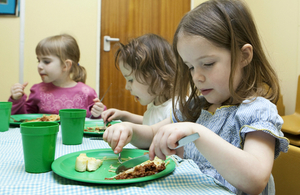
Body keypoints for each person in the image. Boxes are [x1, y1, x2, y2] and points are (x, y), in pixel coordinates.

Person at [103, 0, 289, 194]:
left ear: (244, 56)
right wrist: (128, 129)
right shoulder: (196, 107)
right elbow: (152, 135)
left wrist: (198, 132)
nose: (196, 77)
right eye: (190, 67)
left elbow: (256, 179)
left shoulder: (257, 111)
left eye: (207, 63)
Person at [9, 34, 106, 118]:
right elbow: (24, 120)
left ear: (66, 65)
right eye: (39, 61)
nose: (39, 66)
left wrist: (99, 113)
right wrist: (17, 100)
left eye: (46, 61)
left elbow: (95, 121)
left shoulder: (86, 92)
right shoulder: (37, 90)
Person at [101, 34, 176, 125]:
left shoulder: (175, 109)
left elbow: (152, 132)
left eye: (130, 80)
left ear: (155, 76)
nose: (127, 87)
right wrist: (124, 116)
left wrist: (129, 128)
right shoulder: (155, 102)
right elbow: (149, 123)